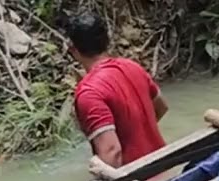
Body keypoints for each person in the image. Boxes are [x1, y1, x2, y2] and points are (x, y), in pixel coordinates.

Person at [65, 12, 168, 168]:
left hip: (140, 178)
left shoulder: (89, 93)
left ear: (73, 50)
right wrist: (137, 132)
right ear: (107, 41)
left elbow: (111, 153)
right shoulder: (132, 67)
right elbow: (161, 107)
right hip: (166, 167)